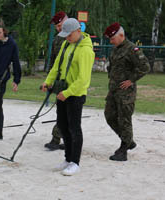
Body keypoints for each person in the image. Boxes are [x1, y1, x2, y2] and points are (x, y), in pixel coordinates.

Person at [42, 18, 95, 175]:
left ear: (78, 31)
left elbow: (83, 79)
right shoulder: (66, 44)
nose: (67, 38)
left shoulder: (86, 50)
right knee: (62, 125)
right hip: (63, 91)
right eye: (65, 35)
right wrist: (48, 82)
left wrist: (68, 93)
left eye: (69, 35)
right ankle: (67, 158)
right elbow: (56, 67)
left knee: (74, 128)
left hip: (75, 95)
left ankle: (75, 162)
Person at [103, 22, 150, 161]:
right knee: (109, 116)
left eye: (112, 38)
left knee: (124, 120)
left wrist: (131, 80)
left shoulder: (132, 49)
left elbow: (145, 66)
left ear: (121, 35)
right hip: (113, 90)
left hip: (125, 93)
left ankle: (123, 150)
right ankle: (128, 141)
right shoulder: (116, 49)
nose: (111, 41)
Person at [44, 11, 68, 151]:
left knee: (68, 112)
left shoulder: (78, 37)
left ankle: (63, 139)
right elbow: (53, 61)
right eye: (57, 27)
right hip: (58, 81)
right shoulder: (57, 39)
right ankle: (57, 139)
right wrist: (49, 80)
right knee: (61, 111)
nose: (59, 29)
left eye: (60, 25)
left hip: (71, 82)